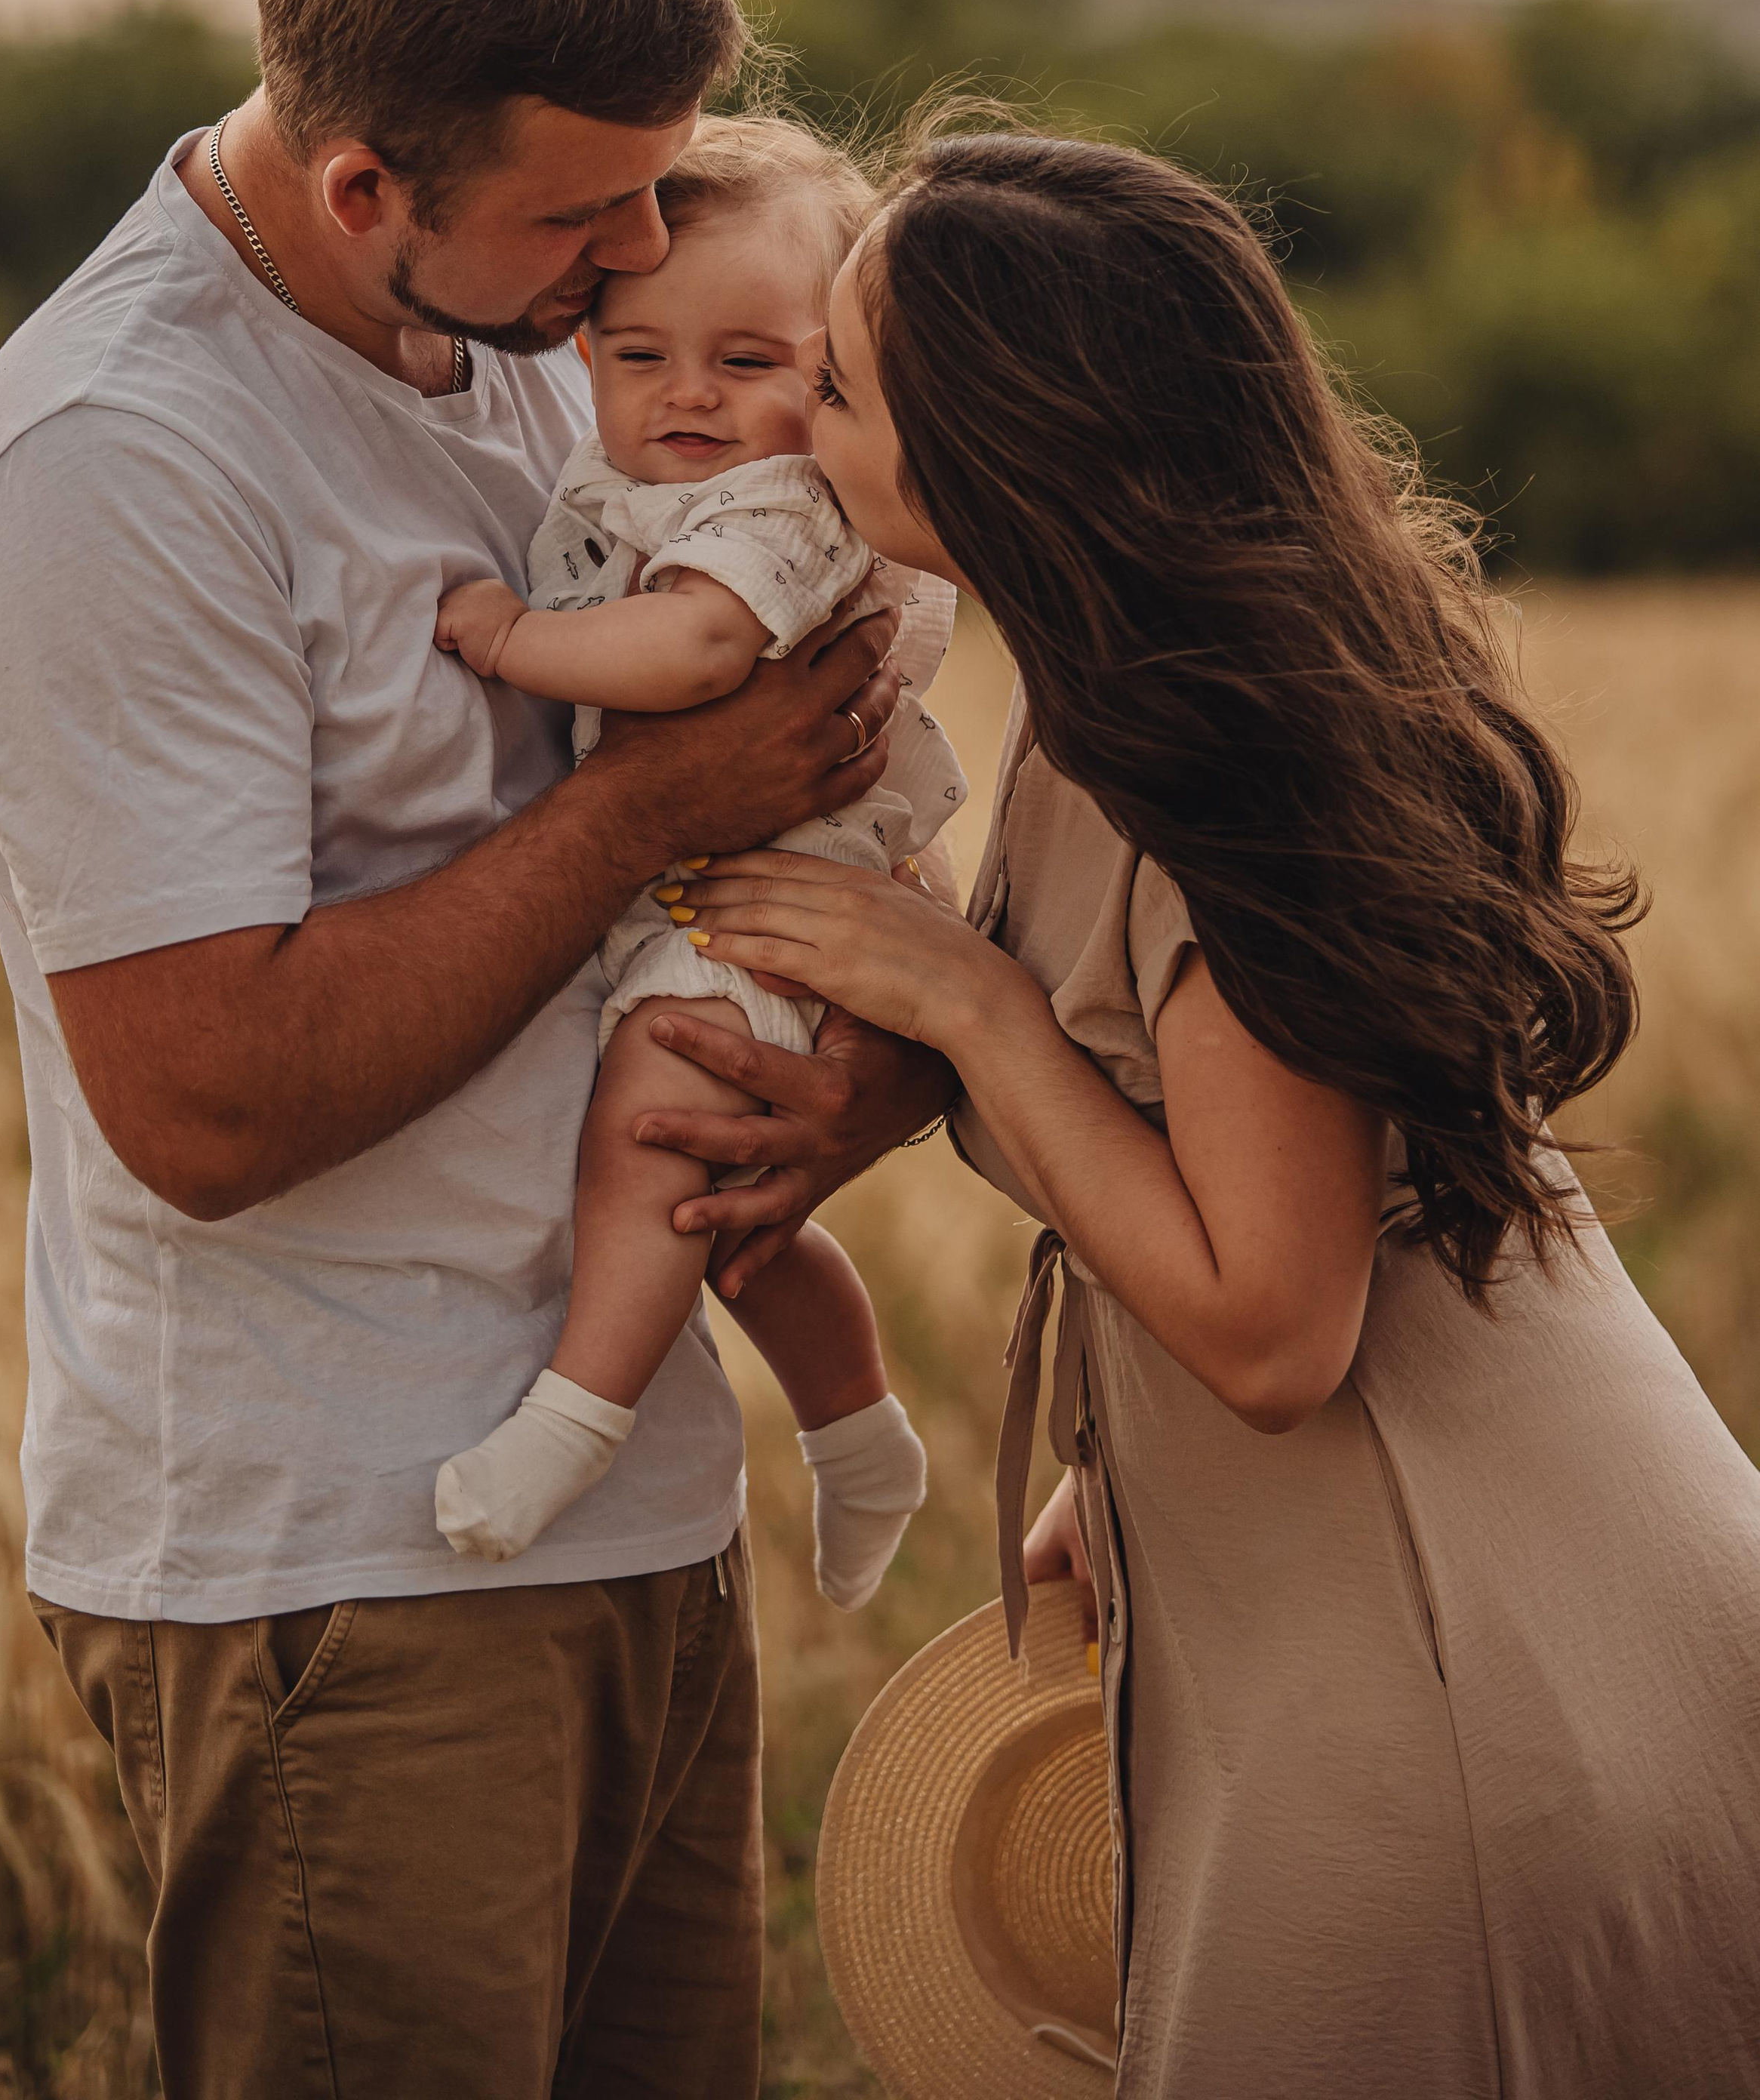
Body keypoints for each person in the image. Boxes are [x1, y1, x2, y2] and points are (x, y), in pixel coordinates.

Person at [0, 0, 951, 2100]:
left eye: (666, 183)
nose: (647, 259)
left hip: (631, 1504)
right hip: (339, 1566)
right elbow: (207, 1101)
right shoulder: (118, 464)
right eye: (588, 213)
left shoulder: (547, 343)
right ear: (366, 187)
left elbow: (793, 820)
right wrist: (667, 801)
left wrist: (866, 1077)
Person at [659, 132, 1760, 2099]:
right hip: (1513, 1576)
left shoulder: (1208, 764)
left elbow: (1275, 1325)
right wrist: (1120, 1439)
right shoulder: (1155, 691)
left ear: (993, 451)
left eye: (832, 385)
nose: (783, 426)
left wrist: (971, 1009)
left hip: (1462, 1680)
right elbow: (1244, 1145)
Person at [431, 116, 955, 1593]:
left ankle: (574, 1420)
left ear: (833, 369)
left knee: (654, 1134)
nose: (688, 396)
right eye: (639, 354)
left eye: (748, 361)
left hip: (765, 893)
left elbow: (703, 641)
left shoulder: (785, 507)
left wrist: (515, 641)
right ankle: (858, 1439)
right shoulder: (628, 481)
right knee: (730, 1228)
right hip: (689, 878)